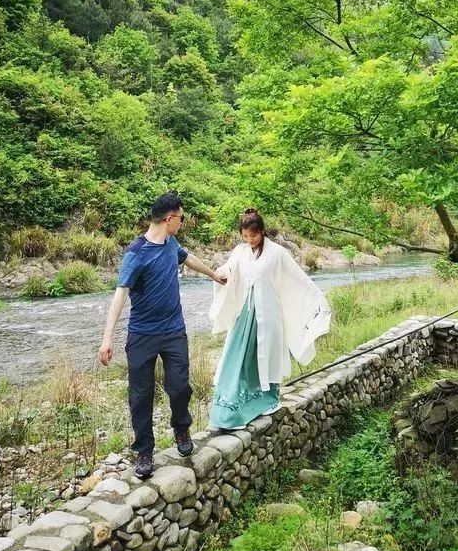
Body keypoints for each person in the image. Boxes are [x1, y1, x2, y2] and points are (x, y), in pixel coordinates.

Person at [98, 191, 227, 479]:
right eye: (181, 219)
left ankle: (181, 428)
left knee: (180, 386)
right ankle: (144, 451)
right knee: (140, 395)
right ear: (169, 219)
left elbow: (187, 258)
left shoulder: (171, 243)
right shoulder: (136, 253)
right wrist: (108, 338)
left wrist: (213, 275)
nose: (182, 223)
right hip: (142, 335)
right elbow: (120, 295)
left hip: (173, 331)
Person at [208, 208, 331, 431]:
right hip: (245, 313)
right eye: (245, 236)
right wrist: (222, 273)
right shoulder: (240, 251)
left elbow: (297, 278)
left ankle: (270, 399)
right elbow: (229, 267)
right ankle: (232, 408)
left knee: (268, 354)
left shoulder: (277, 252)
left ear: (262, 231)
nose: (249, 240)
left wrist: (317, 299)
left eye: (253, 236)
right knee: (239, 357)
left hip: (269, 312)